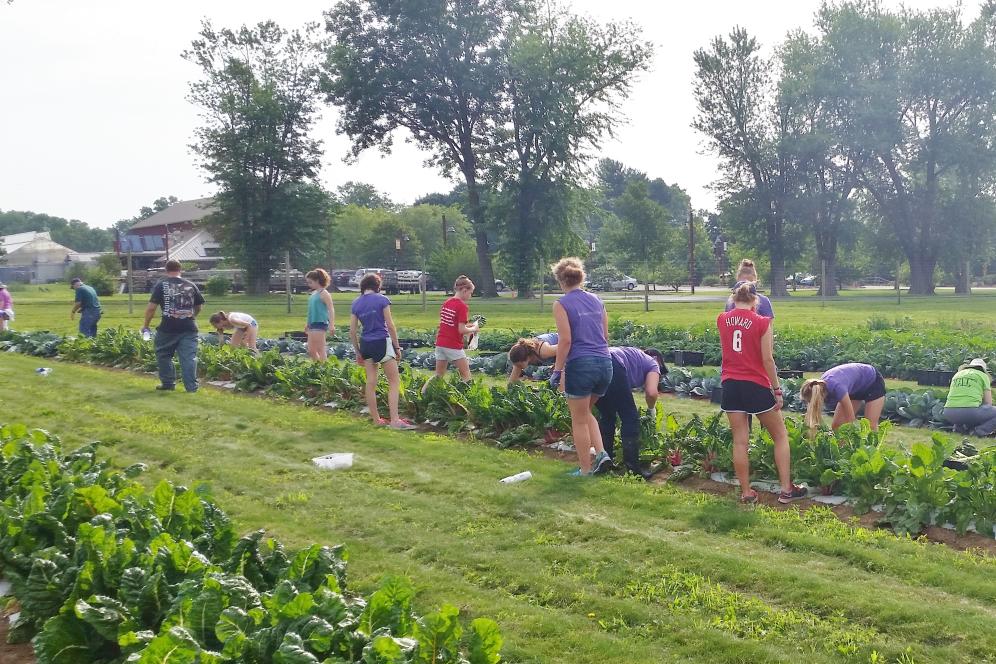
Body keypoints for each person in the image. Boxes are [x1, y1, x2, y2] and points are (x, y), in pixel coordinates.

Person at [717, 282, 805, 504]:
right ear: (756, 301)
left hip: (730, 384)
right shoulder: (762, 322)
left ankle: (746, 492)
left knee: (740, 441)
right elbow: (767, 359)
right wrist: (776, 389)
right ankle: (786, 489)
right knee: (780, 435)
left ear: (733, 299)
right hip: (755, 384)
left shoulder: (721, 319)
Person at [551, 257, 614, 476]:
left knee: (578, 419)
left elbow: (566, 340)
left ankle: (585, 471)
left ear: (560, 280)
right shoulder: (598, 300)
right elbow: (605, 335)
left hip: (581, 365)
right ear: (581, 277)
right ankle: (602, 453)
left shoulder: (561, 304)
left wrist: (557, 371)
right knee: (586, 411)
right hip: (605, 364)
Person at [349, 273, 415, 430]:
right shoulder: (382, 299)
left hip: (366, 344)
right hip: (382, 342)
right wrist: (397, 347)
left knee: (370, 382)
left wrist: (358, 352)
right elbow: (390, 325)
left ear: (363, 287)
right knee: (394, 381)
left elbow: (352, 331)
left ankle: (376, 419)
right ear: (377, 286)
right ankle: (395, 420)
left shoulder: (356, 304)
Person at [595, 346, 666, 479]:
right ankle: (633, 470)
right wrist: (651, 410)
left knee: (607, 416)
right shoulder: (653, 364)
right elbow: (651, 393)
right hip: (613, 364)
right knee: (630, 418)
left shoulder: (635, 356)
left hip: (596, 360)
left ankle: (606, 462)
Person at [142, 259, 205, 392]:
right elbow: (199, 307)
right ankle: (191, 387)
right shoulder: (191, 285)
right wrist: (191, 316)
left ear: (166, 270)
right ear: (180, 270)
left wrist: (146, 325)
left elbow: (151, 309)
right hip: (189, 328)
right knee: (188, 358)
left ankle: (168, 383)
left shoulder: (161, 285)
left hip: (167, 328)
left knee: (163, 354)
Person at [800, 363, 886, 434]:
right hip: (855, 388)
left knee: (870, 426)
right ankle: (841, 452)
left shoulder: (837, 388)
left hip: (872, 381)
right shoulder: (818, 387)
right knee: (837, 426)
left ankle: (871, 451)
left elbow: (850, 419)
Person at [430, 275, 480, 383]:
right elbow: (461, 330)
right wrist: (474, 328)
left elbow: (450, 324)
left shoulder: (447, 303)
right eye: (470, 293)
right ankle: (465, 398)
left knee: (438, 375)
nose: (470, 296)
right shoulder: (462, 306)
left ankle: (423, 395)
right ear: (464, 290)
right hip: (452, 345)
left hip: (440, 343)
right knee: (466, 375)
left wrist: (468, 326)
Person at [942, 358, 996, 437]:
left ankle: (958, 429)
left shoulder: (957, 375)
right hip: (970, 411)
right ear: (983, 369)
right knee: (983, 411)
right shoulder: (983, 376)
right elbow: (988, 402)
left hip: (948, 412)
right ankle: (979, 432)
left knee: (966, 408)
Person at [305, 269, 335, 361]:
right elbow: (310, 310)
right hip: (312, 323)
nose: (309, 284)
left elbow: (330, 309)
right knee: (311, 350)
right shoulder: (313, 294)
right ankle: (318, 367)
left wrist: (331, 324)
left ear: (317, 281)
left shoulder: (324, 293)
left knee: (320, 349)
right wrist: (307, 323)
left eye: (310, 282)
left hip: (320, 323)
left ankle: (324, 370)